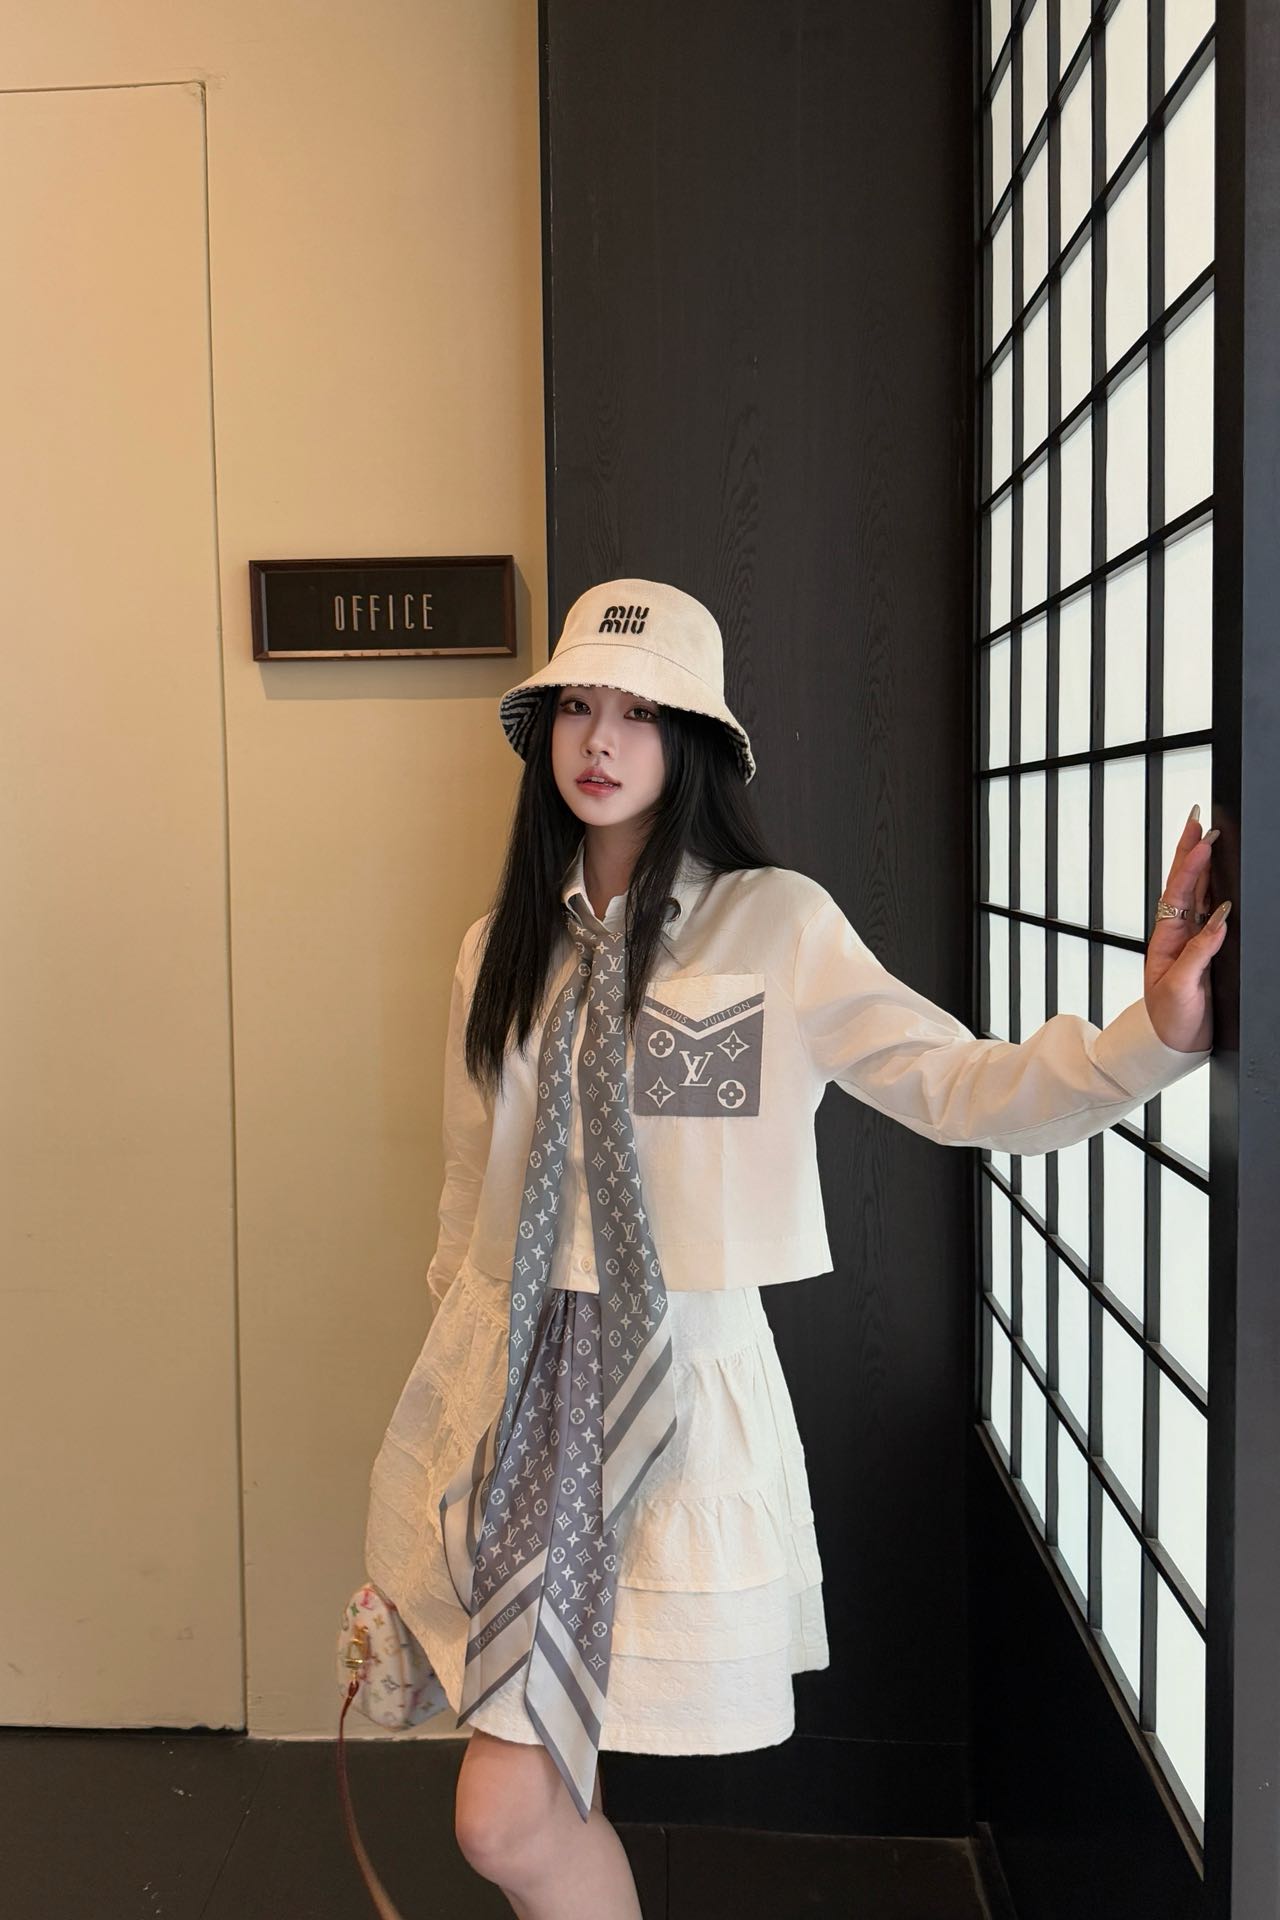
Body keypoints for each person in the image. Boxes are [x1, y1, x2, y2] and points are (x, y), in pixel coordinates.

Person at [364, 577, 1225, 1919]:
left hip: (670, 1391)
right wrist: (454, 1390)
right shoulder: (500, 948)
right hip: (518, 1379)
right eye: (577, 707)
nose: (601, 740)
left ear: (694, 741)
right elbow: (470, 1181)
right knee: (514, 1808)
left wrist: (1147, 1040)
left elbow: (956, 1083)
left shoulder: (777, 925)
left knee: (509, 1809)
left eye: (641, 713)